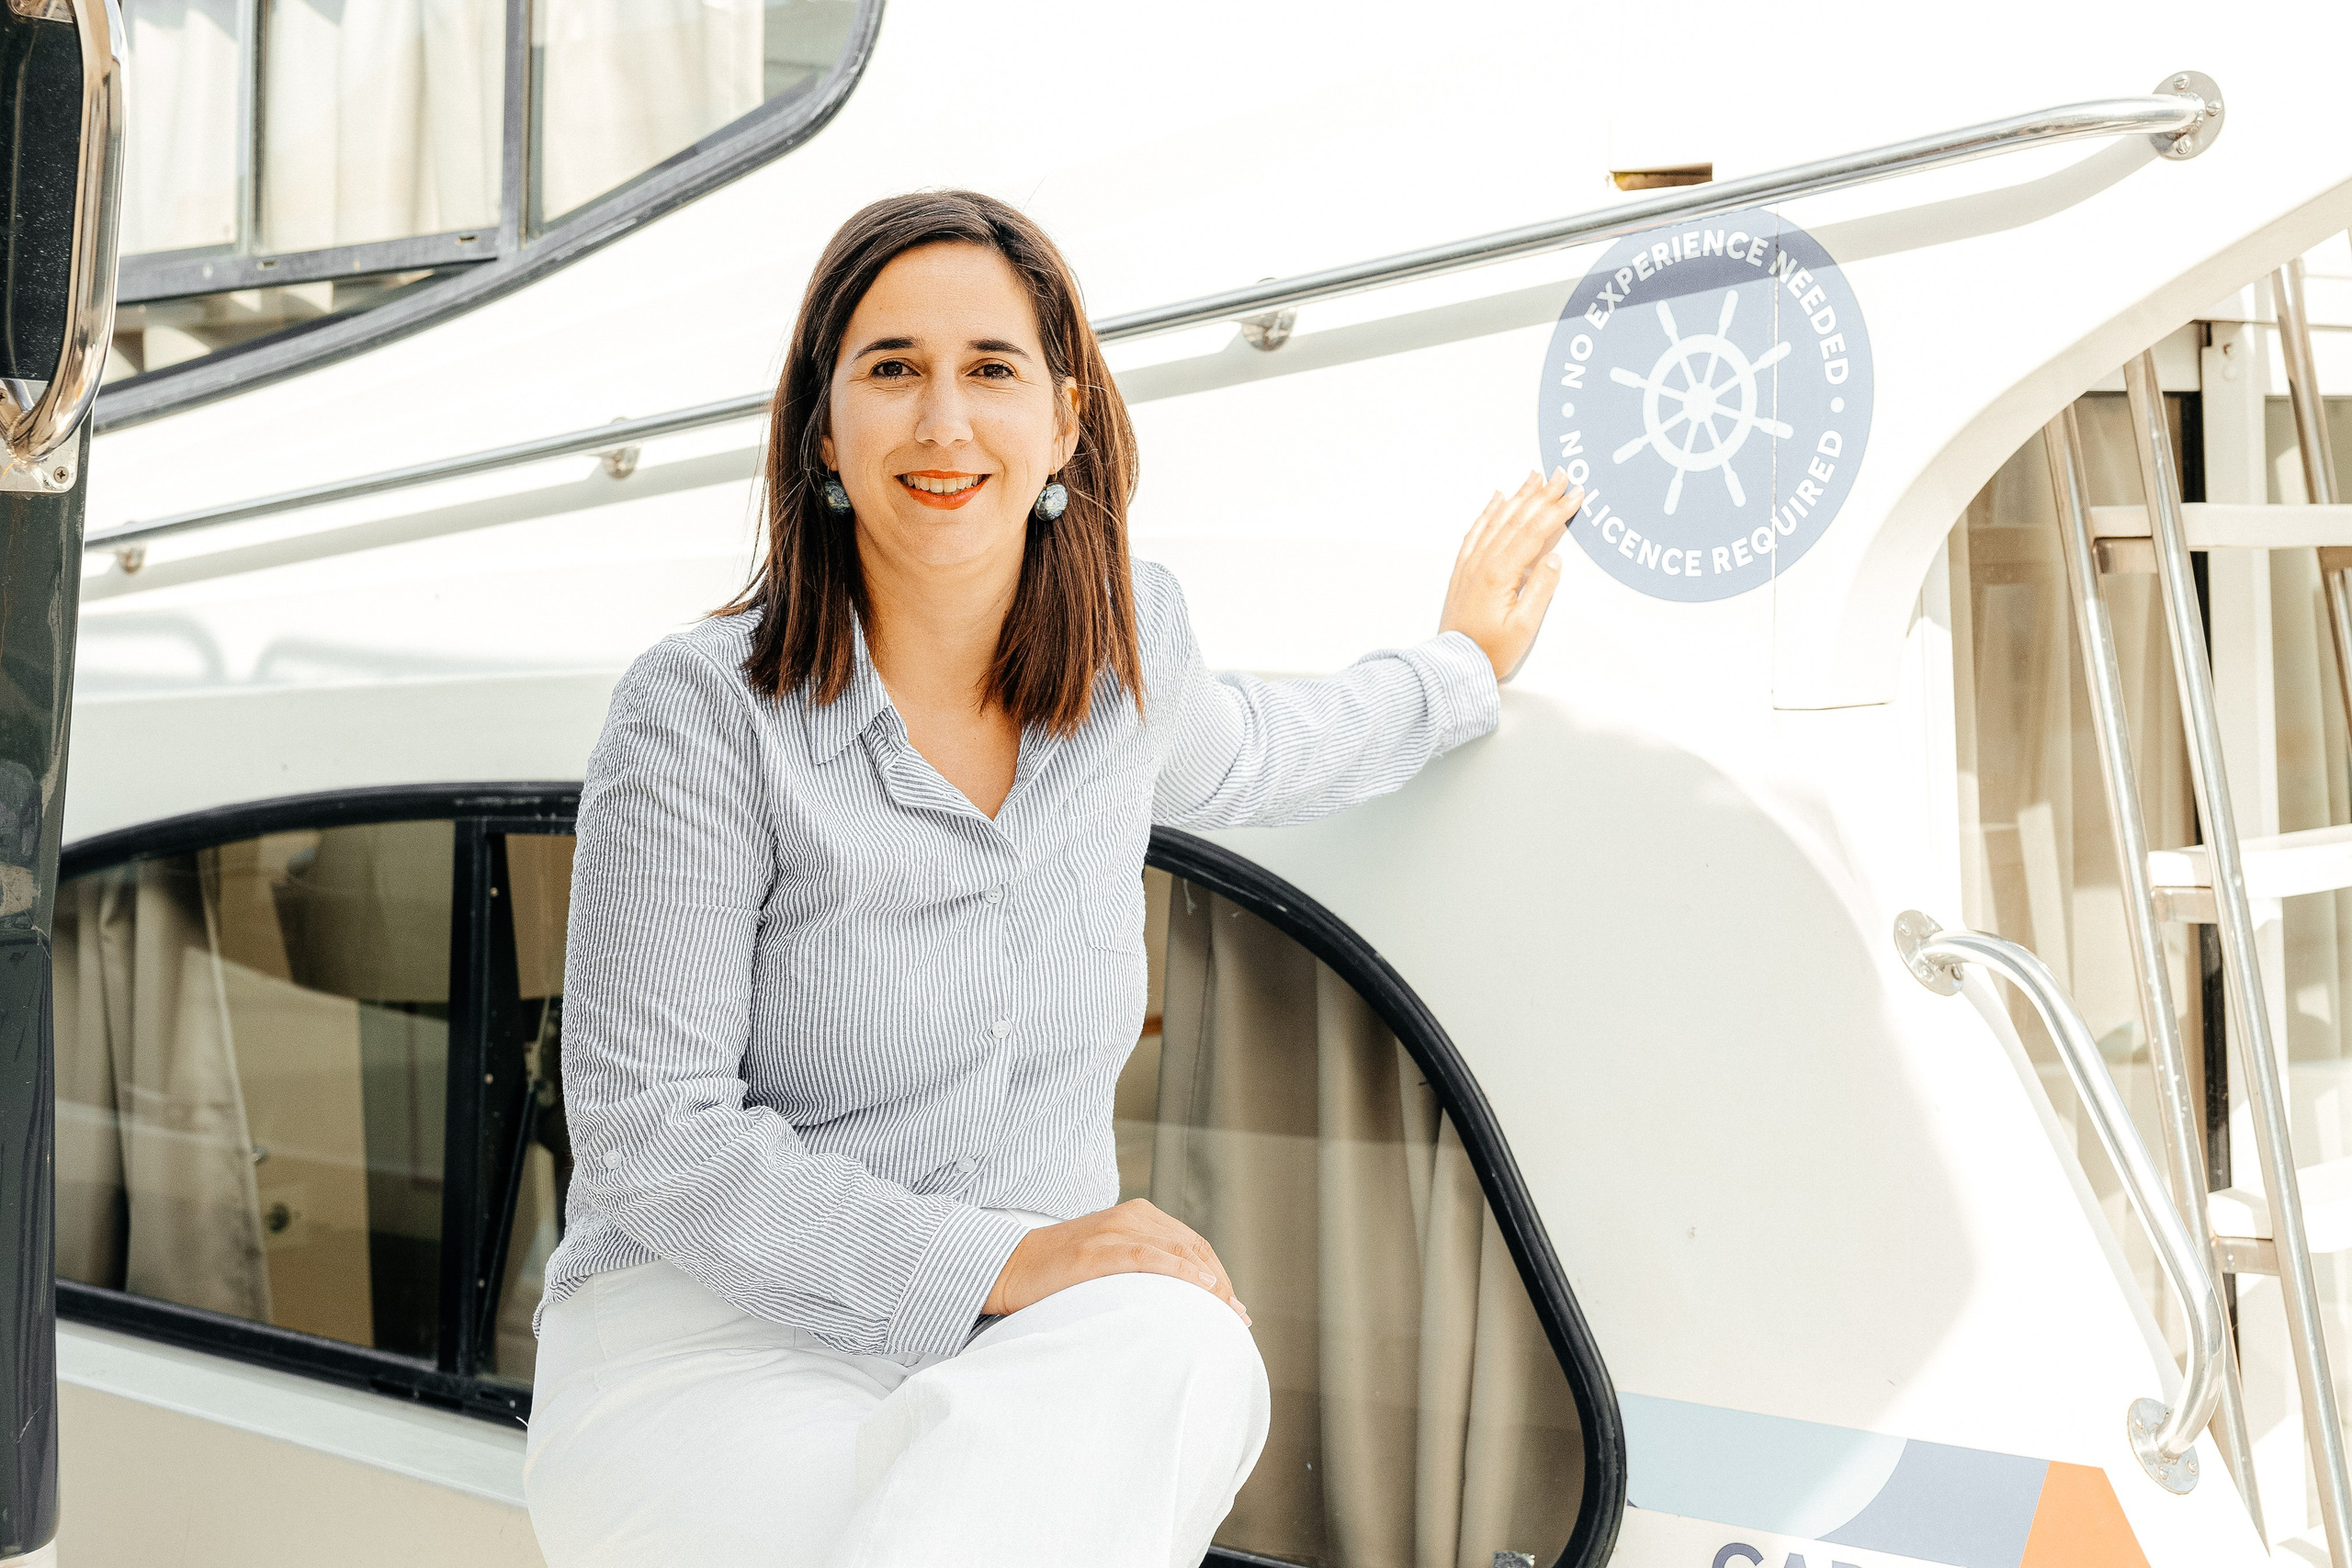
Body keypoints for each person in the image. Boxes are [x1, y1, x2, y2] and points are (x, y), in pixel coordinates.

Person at [522, 189, 1579, 1568]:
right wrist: (1003, 1261)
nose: (944, 423)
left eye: (992, 369)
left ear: (1066, 420)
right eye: (891, 369)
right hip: (711, 1333)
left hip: (1030, 1356)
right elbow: (652, 1134)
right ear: (821, 432)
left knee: (1194, 1346)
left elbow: (1261, 752)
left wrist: (1460, 668)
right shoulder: (697, 712)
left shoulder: (1129, 652)